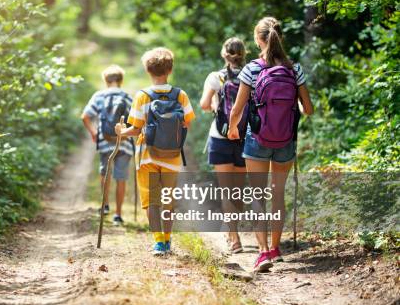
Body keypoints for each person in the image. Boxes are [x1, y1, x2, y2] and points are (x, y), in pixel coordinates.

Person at [228, 17, 314, 272]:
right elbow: (308, 108)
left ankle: (262, 252)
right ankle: (276, 250)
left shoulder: (252, 69)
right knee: (277, 195)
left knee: (258, 195)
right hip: (285, 140)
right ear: (280, 37)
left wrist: (233, 128)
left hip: (257, 138)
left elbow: (237, 108)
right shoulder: (294, 69)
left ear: (257, 39)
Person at [115, 47, 196, 255]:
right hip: (172, 156)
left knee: (152, 200)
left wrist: (121, 132)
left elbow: (135, 129)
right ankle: (168, 240)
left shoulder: (142, 96)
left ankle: (159, 242)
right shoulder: (181, 95)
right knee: (168, 200)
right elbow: (187, 124)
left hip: (147, 156)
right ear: (170, 70)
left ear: (148, 71)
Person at [200, 37, 248, 254]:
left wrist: (215, 107)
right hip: (244, 137)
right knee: (238, 190)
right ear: (244, 53)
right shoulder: (253, 74)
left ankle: (234, 238)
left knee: (226, 190)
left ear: (224, 55)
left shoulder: (215, 77)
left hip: (220, 138)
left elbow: (203, 105)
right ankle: (235, 230)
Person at [82, 65, 133, 225]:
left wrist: (94, 133)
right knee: (121, 177)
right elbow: (136, 120)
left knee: (105, 172)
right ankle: (118, 214)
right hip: (124, 142)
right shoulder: (127, 96)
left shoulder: (99, 96)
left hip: (104, 141)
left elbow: (85, 116)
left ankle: (104, 205)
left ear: (106, 80)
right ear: (121, 80)